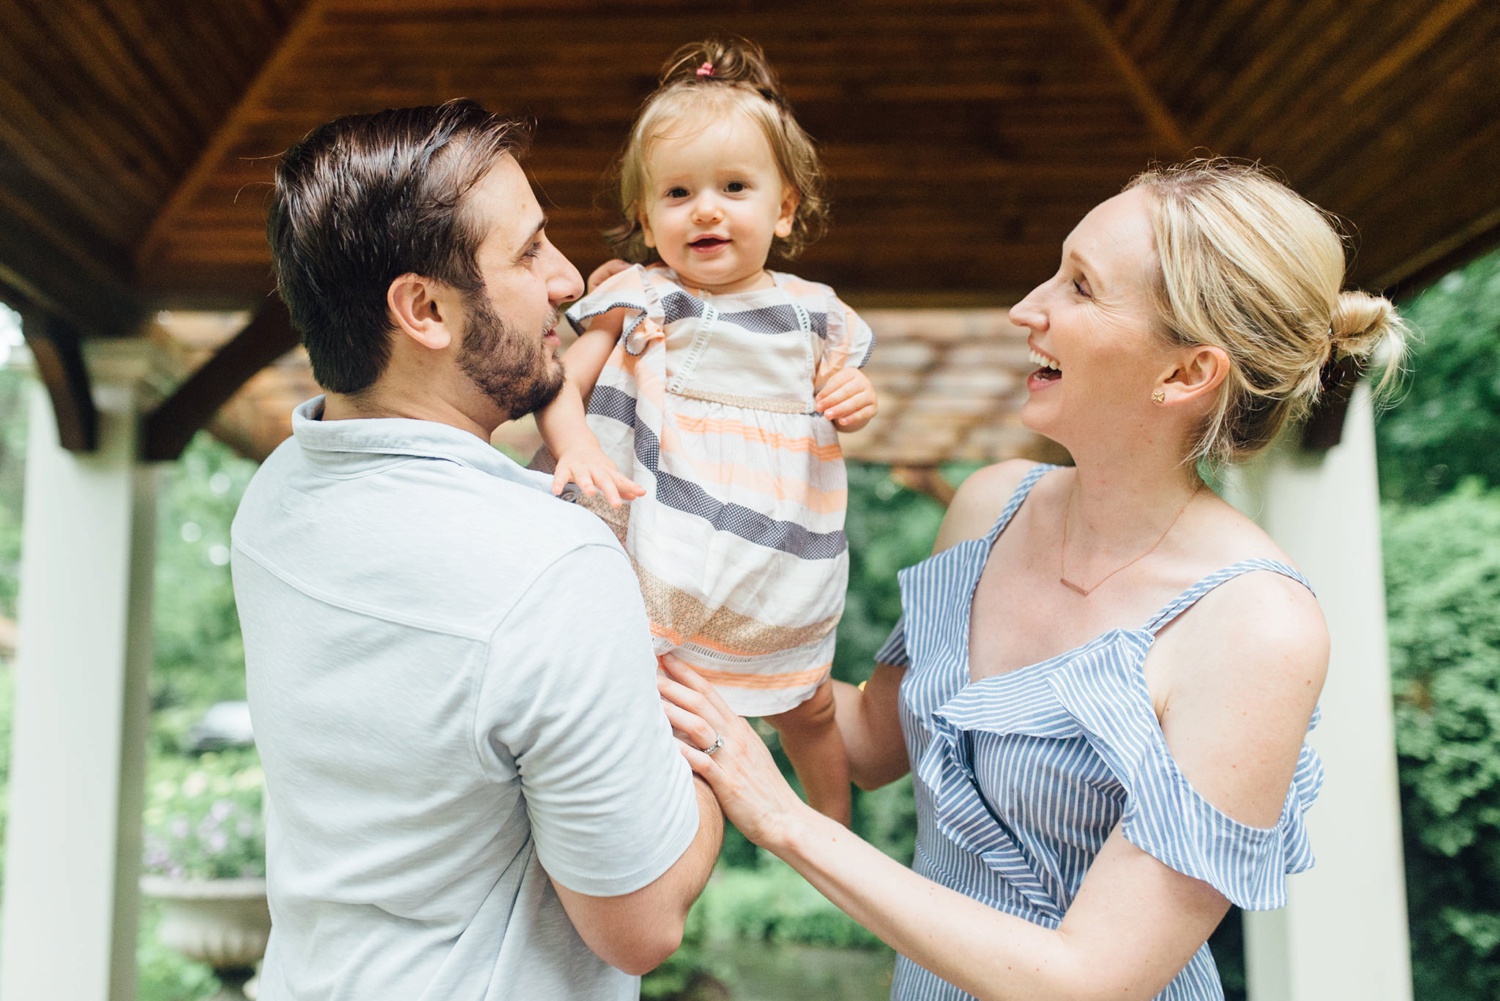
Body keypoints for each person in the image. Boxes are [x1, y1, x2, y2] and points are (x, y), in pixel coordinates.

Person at [659, 159, 1408, 1000]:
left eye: (1081, 288)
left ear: (1186, 374)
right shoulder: (987, 508)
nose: (1029, 307)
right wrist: (669, 633)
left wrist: (786, 822)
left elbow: (1090, 976)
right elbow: (869, 744)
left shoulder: (1257, 625)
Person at [232, 100, 722, 1001]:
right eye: (530, 252)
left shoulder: (273, 502)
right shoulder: (550, 567)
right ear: (423, 309)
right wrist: (717, 756)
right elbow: (641, 923)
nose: (570, 279)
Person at [535, 38, 878, 824]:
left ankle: (831, 839)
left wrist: (854, 393)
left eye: (733, 186)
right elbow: (556, 384)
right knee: (649, 716)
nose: (707, 209)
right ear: (645, 219)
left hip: (776, 555)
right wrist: (577, 444)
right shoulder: (639, 294)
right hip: (663, 551)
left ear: (784, 207)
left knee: (810, 706)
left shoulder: (814, 312)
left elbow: (842, 387)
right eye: (679, 193)